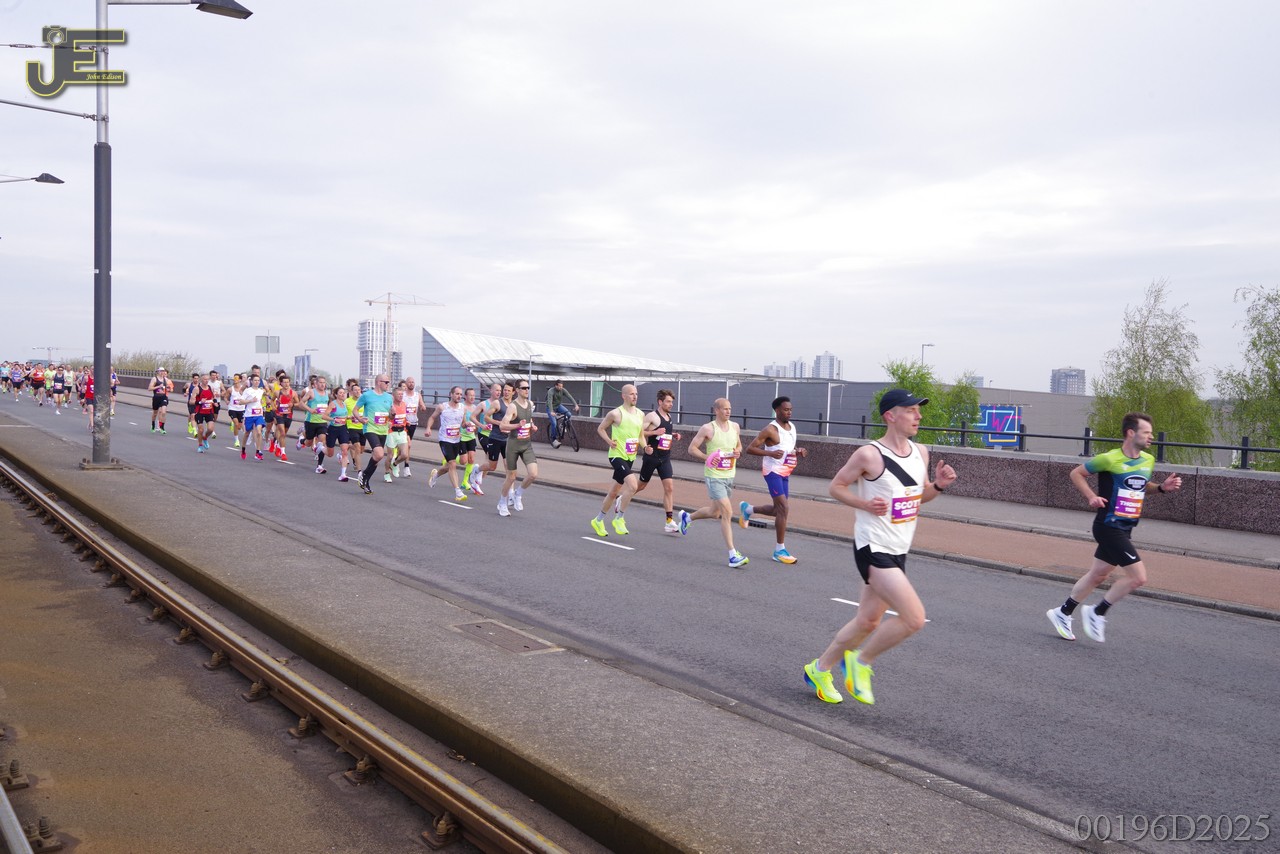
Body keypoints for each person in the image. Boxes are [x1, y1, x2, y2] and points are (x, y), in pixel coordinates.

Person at [802, 389, 957, 705]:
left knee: (868, 621)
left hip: (899, 548)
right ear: (890, 415)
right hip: (872, 547)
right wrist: (864, 504)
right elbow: (836, 487)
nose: (918, 416)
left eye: (918, 410)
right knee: (914, 618)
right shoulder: (869, 455)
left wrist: (938, 486)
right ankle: (861, 663)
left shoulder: (921, 452)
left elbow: (919, 497)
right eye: (911, 410)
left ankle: (819, 669)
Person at [1046, 412, 1183, 644]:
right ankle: (1097, 612)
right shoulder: (1109, 459)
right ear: (1131, 433)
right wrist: (1091, 496)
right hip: (1108, 526)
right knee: (1138, 578)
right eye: (1146, 432)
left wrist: (1161, 487)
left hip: (1127, 526)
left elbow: (1140, 485)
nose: (1151, 437)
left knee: (1098, 575)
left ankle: (1063, 612)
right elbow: (1076, 473)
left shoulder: (1148, 460)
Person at [679, 398, 749, 567]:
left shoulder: (735, 427)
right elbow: (691, 449)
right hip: (714, 476)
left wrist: (737, 452)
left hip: (729, 475)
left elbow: (739, 445)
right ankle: (733, 555)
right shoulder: (708, 428)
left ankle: (687, 518)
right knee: (727, 512)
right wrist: (707, 458)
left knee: (714, 512)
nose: (728, 411)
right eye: (725, 409)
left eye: (730, 408)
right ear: (716, 410)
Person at [740, 396, 807, 564]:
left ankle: (748, 509)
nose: (789, 412)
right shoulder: (770, 430)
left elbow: (788, 448)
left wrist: (798, 451)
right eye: (786, 410)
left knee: (778, 511)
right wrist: (770, 453)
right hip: (772, 472)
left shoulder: (792, 427)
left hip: (785, 472)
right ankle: (779, 550)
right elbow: (750, 449)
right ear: (777, 411)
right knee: (784, 508)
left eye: (790, 410)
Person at [590, 384, 645, 536]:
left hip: (630, 456)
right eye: (631, 394)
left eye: (636, 393)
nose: (635, 396)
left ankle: (598, 520)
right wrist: (609, 441)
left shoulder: (640, 414)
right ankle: (619, 518)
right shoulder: (615, 414)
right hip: (616, 455)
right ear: (623, 396)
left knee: (613, 492)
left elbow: (640, 436)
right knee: (633, 486)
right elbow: (601, 428)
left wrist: (646, 447)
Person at [633, 389, 683, 533]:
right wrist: (654, 432)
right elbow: (638, 432)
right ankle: (623, 498)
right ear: (660, 402)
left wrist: (673, 435)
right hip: (652, 456)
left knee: (669, 488)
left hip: (665, 457)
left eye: (672, 402)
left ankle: (669, 521)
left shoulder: (669, 416)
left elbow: (664, 433)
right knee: (641, 486)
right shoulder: (652, 416)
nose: (671, 404)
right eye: (668, 401)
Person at [495, 379, 539, 516]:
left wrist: (532, 426)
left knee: (533, 474)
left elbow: (528, 419)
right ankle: (502, 503)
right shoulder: (512, 407)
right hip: (513, 445)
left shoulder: (530, 404)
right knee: (511, 477)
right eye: (524, 388)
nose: (527, 390)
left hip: (526, 445)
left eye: (528, 388)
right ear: (518, 390)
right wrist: (517, 425)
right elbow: (502, 425)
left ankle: (518, 494)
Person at [425, 386, 471, 501]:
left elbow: (463, 423)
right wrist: (428, 428)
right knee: (452, 464)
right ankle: (458, 492)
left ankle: (435, 475)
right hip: (445, 439)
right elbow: (432, 417)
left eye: (460, 394)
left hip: (457, 439)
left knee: (449, 466)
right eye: (457, 394)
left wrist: (467, 425)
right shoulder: (442, 407)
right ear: (451, 394)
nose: (459, 396)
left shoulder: (463, 408)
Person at [353, 374, 394, 495]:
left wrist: (392, 415)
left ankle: (365, 480)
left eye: (389, 382)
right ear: (378, 382)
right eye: (386, 382)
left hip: (383, 430)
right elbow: (355, 410)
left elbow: (390, 415)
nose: (388, 384)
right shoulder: (367, 395)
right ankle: (364, 475)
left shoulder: (389, 397)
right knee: (379, 454)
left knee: (376, 458)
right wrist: (360, 419)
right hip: (370, 428)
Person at [239, 375, 268, 461]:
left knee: (259, 432)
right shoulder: (247, 391)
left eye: (258, 380)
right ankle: (243, 449)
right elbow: (241, 402)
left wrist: (265, 399)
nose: (257, 382)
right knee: (247, 433)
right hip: (249, 415)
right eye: (255, 380)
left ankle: (258, 451)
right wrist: (251, 400)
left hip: (259, 414)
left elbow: (266, 394)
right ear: (251, 381)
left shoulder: (261, 391)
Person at [546, 380, 580, 448]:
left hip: (558, 406)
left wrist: (576, 405)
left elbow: (570, 397)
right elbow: (549, 401)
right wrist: (551, 411)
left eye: (562, 386)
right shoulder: (551, 391)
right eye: (559, 386)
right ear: (555, 386)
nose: (561, 388)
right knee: (554, 423)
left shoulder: (563, 390)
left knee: (569, 414)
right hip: (550, 408)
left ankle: (562, 425)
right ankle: (554, 439)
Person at [192, 373, 217, 453]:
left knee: (210, 429)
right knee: (201, 429)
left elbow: (213, 397)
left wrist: (215, 402)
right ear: (201, 380)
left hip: (209, 411)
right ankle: (200, 445)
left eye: (207, 379)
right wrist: (200, 402)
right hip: (200, 411)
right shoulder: (197, 389)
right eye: (205, 379)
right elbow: (191, 401)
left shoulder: (210, 388)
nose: (206, 381)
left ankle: (205, 437)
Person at [148, 367, 172, 433]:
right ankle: (153, 425)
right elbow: (149, 388)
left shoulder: (166, 380)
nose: (162, 372)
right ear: (158, 372)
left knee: (163, 412)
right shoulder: (154, 379)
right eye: (161, 371)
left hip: (163, 397)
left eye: (163, 371)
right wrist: (158, 386)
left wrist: (168, 389)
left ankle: (162, 427)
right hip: (156, 397)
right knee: (155, 413)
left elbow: (168, 388)